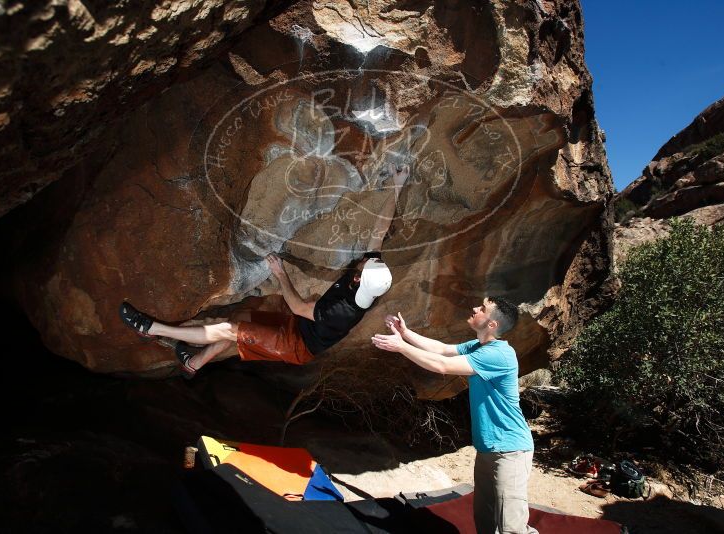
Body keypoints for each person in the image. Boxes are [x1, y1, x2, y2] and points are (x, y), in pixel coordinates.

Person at [119, 164, 409, 376]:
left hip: (295, 345)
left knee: (228, 330)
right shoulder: (369, 281)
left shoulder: (342, 311)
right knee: (241, 319)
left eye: (365, 264)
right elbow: (378, 233)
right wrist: (397, 186)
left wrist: (279, 273)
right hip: (299, 329)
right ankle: (193, 363)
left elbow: (297, 306)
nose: (365, 259)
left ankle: (151, 328)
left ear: (359, 278)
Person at [371, 297, 537, 534]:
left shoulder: (499, 355)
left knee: (511, 527)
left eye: (482, 309)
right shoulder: (479, 346)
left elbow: (442, 366)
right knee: (486, 520)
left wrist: (401, 347)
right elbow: (442, 350)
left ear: (492, 325)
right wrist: (405, 333)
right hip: (489, 447)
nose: (474, 308)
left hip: (510, 450)